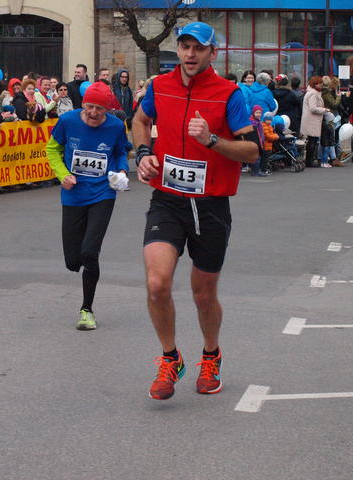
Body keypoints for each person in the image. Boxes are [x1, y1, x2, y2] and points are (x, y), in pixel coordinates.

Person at [132, 21, 259, 400]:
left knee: (203, 295)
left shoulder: (229, 94)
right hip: (167, 199)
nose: (190, 54)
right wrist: (143, 153)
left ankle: (211, 355)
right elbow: (140, 120)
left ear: (212, 53)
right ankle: (170, 358)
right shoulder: (159, 86)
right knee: (157, 284)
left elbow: (252, 151)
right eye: (185, 46)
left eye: (198, 48)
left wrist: (212, 140)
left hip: (210, 205)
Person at [46, 82, 130, 331]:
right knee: (73, 261)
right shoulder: (68, 121)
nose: (93, 113)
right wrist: (63, 174)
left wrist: (122, 171)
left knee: (90, 252)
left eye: (99, 109)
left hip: (103, 193)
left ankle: (87, 309)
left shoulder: (115, 126)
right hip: (73, 194)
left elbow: (121, 152)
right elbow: (52, 149)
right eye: (90, 107)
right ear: (83, 104)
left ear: (107, 110)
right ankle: (79, 263)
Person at [300, 76, 327, 168]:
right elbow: (313, 108)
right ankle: (309, 161)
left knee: (312, 140)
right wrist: (324, 110)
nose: (321, 85)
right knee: (312, 141)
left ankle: (310, 160)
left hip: (311, 119)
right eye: (320, 83)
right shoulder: (313, 93)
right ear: (315, 84)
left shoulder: (311, 92)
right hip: (312, 120)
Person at [248, 105, 267, 177]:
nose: (258, 114)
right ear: (253, 113)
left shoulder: (258, 121)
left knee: (257, 157)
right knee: (256, 157)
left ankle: (255, 171)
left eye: (260, 113)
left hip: (259, 141)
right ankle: (255, 172)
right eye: (257, 112)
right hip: (255, 142)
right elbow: (254, 134)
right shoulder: (253, 122)